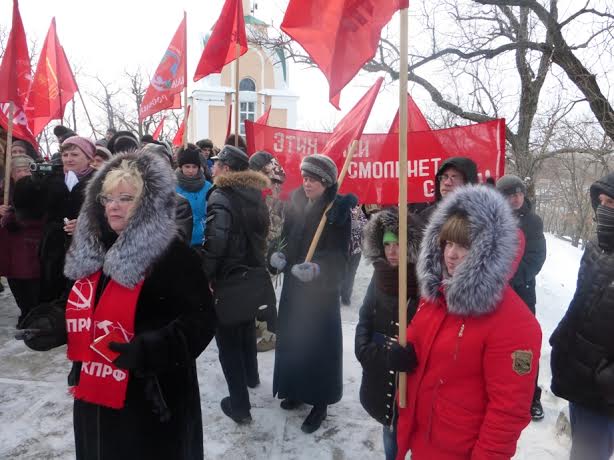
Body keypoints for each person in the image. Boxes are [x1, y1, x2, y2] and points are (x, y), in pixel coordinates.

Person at [21, 150, 217, 460]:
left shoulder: (172, 254)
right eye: (108, 198)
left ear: (148, 205)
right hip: (93, 389)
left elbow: (201, 320)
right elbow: (77, 301)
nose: (113, 206)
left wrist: (149, 350)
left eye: (126, 198)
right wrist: (54, 324)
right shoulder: (91, 249)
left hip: (150, 397)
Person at [396, 185, 541, 460]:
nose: (451, 254)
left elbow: (507, 412)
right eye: (448, 243)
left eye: (464, 246)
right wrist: (407, 355)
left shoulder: (515, 323)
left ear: (488, 253)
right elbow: (425, 345)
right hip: (420, 440)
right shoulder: (438, 296)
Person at [270, 154, 357, 433]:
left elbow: (340, 258)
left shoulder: (337, 211)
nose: (307, 183)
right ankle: (295, 389)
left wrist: (318, 268)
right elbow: (285, 238)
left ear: (327, 182)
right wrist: (279, 254)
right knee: (295, 342)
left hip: (320, 294)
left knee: (318, 348)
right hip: (294, 287)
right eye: (305, 177)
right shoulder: (296, 201)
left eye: (314, 180)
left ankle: (320, 403)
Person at [202, 144, 270, 424]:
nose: (212, 168)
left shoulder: (221, 194)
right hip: (252, 273)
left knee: (228, 341)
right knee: (245, 327)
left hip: (228, 277)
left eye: (216, 164)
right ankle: (251, 376)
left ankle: (239, 406)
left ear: (227, 168)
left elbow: (216, 241)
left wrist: (206, 275)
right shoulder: (255, 193)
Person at [550, 172, 614, 460]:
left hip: (604, 394)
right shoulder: (596, 247)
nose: (603, 209)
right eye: (601, 202)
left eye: (611, 203)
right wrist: (562, 339)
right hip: (579, 376)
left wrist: (607, 379)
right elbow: (580, 303)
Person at [355, 207, 424, 460]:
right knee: (390, 426)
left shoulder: (423, 281)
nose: (392, 251)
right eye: (387, 244)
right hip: (381, 366)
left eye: (398, 244)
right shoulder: (380, 274)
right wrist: (363, 347)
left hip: (411, 373)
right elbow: (365, 315)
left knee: (414, 430)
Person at [496, 174, 547, 420]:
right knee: (495, 344)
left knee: (525, 346)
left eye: (519, 193)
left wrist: (510, 279)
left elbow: (536, 259)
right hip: (494, 295)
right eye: (510, 194)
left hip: (522, 293)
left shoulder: (533, 222)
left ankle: (531, 396)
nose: (516, 198)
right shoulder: (493, 219)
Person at [39, 136, 97, 302]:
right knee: (52, 296)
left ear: (89, 158)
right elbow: (32, 208)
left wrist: (85, 224)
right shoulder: (52, 178)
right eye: (65, 155)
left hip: (85, 249)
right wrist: (33, 182)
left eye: (75, 154)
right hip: (54, 248)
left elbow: (107, 213)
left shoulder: (100, 180)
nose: (69, 159)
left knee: (79, 298)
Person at [248, 150, 287, 352]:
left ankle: (272, 333)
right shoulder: (275, 179)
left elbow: (272, 223)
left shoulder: (272, 186)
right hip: (265, 243)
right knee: (258, 288)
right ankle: (260, 324)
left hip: (267, 245)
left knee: (264, 290)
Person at [0, 154, 44, 325]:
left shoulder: (39, 188)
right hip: (9, 246)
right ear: (11, 174)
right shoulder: (5, 191)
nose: (23, 173)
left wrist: (14, 216)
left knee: (31, 282)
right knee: (15, 281)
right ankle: (25, 312)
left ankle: (33, 315)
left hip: (30, 244)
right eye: (18, 170)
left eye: (26, 169)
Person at [419, 157, 478, 222]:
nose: (447, 183)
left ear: (468, 183)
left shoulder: (480, 215)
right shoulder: (426, 216)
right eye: (444, 177)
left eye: (454, 177)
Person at [175, 145, 212, 248]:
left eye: (194, 167)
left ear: (199, 167)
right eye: (187, 166)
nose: (191, 171)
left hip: (202, 241)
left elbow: (211, 214)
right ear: (181, 167)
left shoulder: (208, 187)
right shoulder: (172, 187)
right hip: (180, 242)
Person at [341, 204, 368, 305]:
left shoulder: (358, 209)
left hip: (356, 249)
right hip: (341, 249)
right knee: (340, 272)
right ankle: (338, 292)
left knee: (351, 273)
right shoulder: (339, 208)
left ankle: (346, 296)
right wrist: (347, 225)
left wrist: (359, 224)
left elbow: (367, 226)